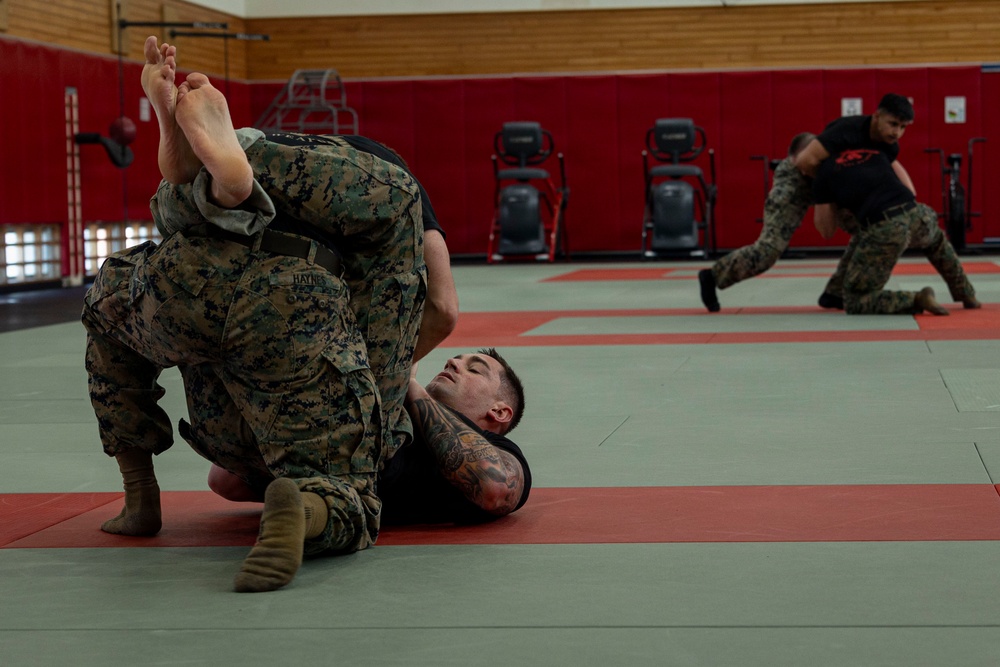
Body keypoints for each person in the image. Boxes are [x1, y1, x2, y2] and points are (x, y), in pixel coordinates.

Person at [83, 36, 428, 594]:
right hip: (287, 309)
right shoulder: (396, 430)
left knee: (111, 304)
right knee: (352, 497)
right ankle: (307, 507)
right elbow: (396, 323)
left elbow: (131, 282)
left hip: (188, 280)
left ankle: (139, 494)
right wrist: (383, 402)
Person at [209, 348, 532, 525]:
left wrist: (404, 381)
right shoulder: (384, 409)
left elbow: (494, 488)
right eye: (457, 358)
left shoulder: (503, 452)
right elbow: (226, 481)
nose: (453, 361)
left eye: (474, 369)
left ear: (500, 412)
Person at [811, 147, 978, 314]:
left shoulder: (825, 172)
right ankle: (967, 294)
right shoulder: (874, 152)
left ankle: (917, 299)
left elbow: (827, 232)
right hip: (919, 215)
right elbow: (911, 192)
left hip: (886, 227)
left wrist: (823, 197)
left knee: (855, 301)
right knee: (936, 242)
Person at [697, 132, 817, 312]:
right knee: (767, 251)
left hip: (813, 178)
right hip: (795, 182)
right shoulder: (792, 180)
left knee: (864, 227)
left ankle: (837, 291)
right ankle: (712, 276)